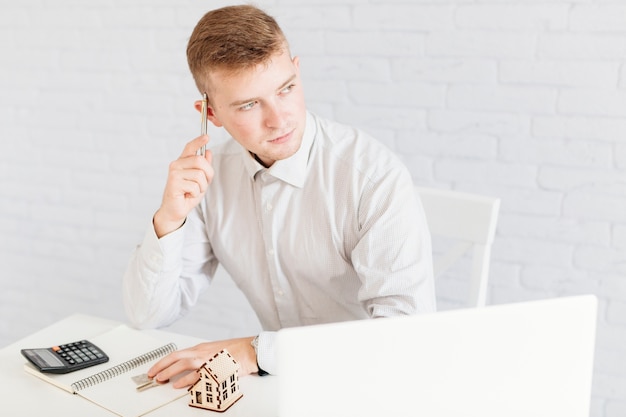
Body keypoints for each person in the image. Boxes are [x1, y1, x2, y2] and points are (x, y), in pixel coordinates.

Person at [122, 4, 436, 388]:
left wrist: (255, 352)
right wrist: (169, 219)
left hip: (375, 386)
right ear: (211, 113)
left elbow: (406, 340)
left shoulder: (372, 178)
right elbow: (146, 314)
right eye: (250, 104)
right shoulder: (210, 177)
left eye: (286, 89)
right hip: (285, 390)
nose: (279, 118)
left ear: (297, 69)